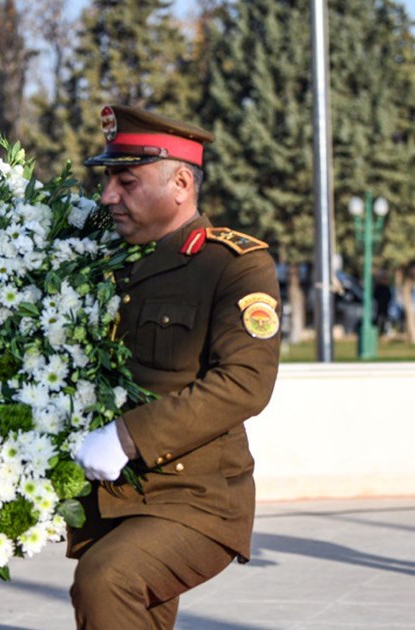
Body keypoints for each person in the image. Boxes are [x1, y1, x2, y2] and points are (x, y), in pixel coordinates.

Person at [69, 104, 281, 629]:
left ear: (181, 184)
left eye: (127, 182)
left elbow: (245, 383)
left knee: (107, 579)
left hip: (196, 496)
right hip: (114, 495)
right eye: (108, 180)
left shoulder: (232, 265)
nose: (108, 196)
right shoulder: (104, 260)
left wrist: (126, 437)